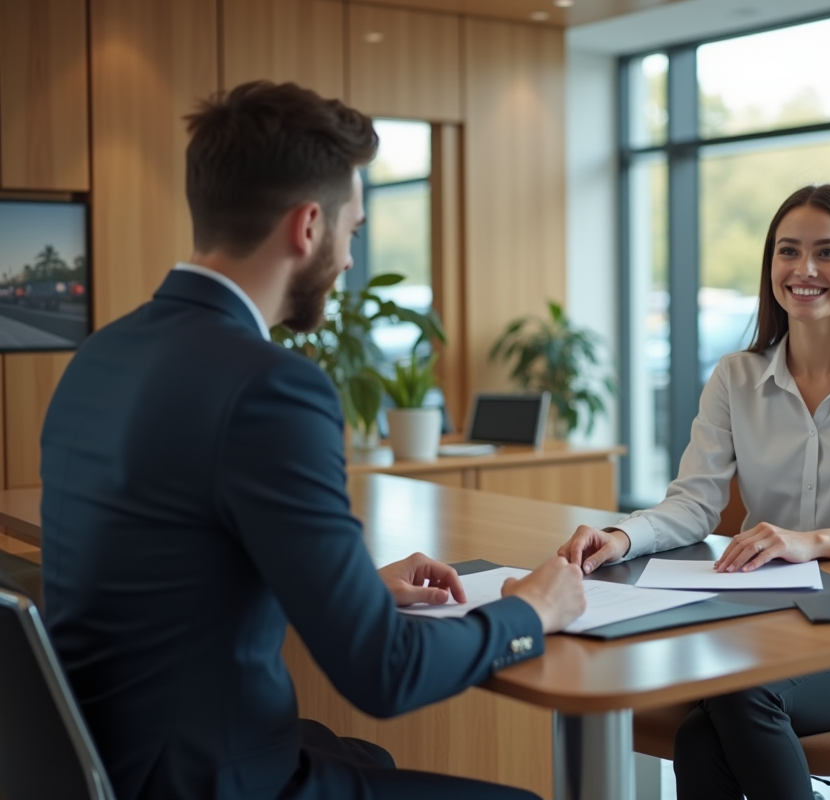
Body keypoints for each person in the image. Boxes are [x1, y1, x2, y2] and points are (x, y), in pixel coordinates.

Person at [39, 81, 586, 800]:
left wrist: (355, 591)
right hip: (210, 778)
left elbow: (175, 565)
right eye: (352, 229)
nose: (351, 258)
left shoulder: (101, 355)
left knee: (366, 760)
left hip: (102, 760)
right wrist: (532, 612)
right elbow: (383, 674)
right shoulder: (270, 385)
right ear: (307, 227)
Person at [558, 184, 830, 800]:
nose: (804, 270)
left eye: (827, 253)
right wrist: (619, 536)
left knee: (735, 695)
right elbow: (694, 502)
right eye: (787, 252)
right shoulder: (736, 377)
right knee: (701, 733)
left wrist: (811, 542)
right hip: (761, 627)